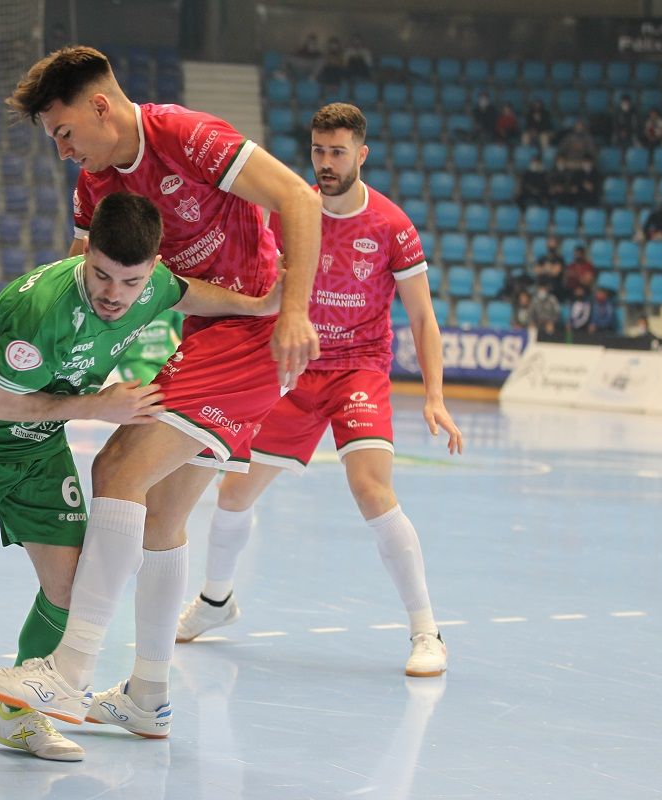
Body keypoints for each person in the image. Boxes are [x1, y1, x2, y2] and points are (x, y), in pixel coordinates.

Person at [0, 192, 284, 762]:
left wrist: (264, 305)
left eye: (131, 281)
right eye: (102, 275)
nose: (115, 295)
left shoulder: (154, 284)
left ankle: (19, 717)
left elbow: (190, 293)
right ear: (86, 252)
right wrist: (101, 406)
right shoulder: (42, 310)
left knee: (71, 587)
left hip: (38, 447)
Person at [0, 45, 321, 736]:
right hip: (203, 335)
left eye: (65, 133)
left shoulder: (184, 136)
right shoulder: (96, 189)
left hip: (251, 331)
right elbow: (79, 275)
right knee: (160, 515)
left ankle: (68, 674)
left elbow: (298, 199)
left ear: (100, 105)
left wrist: (295, 313)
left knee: (118, 468)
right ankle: (150, 695)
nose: (63, 150)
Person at [173, 103, 463, 678]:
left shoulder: (392, 226)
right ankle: (216, 601)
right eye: (318, 151)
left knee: (370, 488)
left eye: (337, 152)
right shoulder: (287, 212)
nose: (326, 163)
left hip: (358, 370)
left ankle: (426, 631)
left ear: (361, 153)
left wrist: (434, 394)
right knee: (232, 493)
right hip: (292, 368)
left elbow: (424, 319)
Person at [114, 309, 183, 385]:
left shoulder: (171, 302)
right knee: (153, 393)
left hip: (169, 361)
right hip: (135, 362)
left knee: (181, 390)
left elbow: (186, 334)